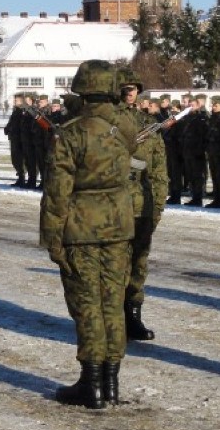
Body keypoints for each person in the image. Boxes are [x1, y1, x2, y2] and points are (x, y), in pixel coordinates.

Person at [41, 60, 134, 409]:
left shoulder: (72, 132)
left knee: (87, 303)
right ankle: (111, 382)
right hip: (119, 225)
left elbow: (57, 190)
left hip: (81, 226)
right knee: (113, 302)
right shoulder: (124, 126)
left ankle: (91, 383)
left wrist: (52, 237)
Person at [116, 72, 167, 341]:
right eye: (124, 89)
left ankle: (132, 317)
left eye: (133, 89)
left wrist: (157, 207)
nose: (129, 93)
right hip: (113, 204)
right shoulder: (107, 123)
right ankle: (112, 319)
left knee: (138, 264)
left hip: (141, 205)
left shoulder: (149, 125)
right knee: (114, 265)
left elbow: (159, 170)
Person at [180, 94, 209, 206]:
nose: (190, 107)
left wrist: (200, 150)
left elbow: (203, 135)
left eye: (192, 105)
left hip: (197, 152)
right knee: (191, 175)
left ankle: (198, 198)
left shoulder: (201, 117)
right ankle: (194, 196)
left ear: (198, 106)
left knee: (197, 176)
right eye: (189, 105)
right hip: (188, 150)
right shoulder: (188, 117)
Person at [205, 95, 220, 208]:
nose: (213, 107)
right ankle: (216, 198)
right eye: (213, 105)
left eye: (216, 105)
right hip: (212, 151)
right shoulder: (213, 118)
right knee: (214, 176)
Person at [4, 94, 26, 187]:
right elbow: (11, 122)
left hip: (19, 139)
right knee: (14, 159)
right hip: (13, 138)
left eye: (16, 100)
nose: (14, 102)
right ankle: (20, 177)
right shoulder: (15, 111)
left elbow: (22, 125)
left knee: (19, 160)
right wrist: (7, 128)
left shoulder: (22, 111)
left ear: (21, 101)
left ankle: (22, 178)